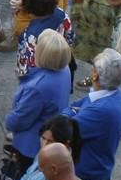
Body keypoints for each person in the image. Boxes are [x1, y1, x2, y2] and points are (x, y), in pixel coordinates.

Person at [69, 48, 121, 180]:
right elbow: (79, 105)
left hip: (87, 174)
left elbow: (66, 128)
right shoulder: (117, 96)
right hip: (99, 170)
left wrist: (70, 112)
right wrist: (73, 110)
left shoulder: (101, 110)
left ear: (95, 75)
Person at [6, 29, 73, 162]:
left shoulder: (37, 87)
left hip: (30, 146)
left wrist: (9, 121)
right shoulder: (64, 70)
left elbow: (21, 118)